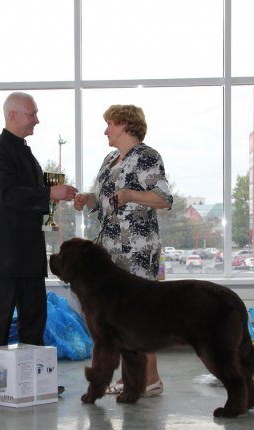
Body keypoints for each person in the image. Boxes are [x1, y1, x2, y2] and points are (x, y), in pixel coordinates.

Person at [73, 104, 173, 397]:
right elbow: (106, 204)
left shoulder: (147, 157)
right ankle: (143, 379)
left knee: (139, 316)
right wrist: (88, 200)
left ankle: (147, 379)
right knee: (119, 318)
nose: (105, 130)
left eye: (109, 124)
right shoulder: (109, 159)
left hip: (137, 249)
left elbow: (164, 198)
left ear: (125, 125)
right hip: (109, 252)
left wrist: (130, 194)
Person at [0, 91, 78, 349]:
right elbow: (6, 194)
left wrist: (54, 197)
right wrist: (49, 193)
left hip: (29, 252)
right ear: (12, 115)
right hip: (4, 256)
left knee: (35, 319)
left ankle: (33, 381)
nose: (37, 120)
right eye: (32, 113)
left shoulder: (25, 152)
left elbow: (26, 198)